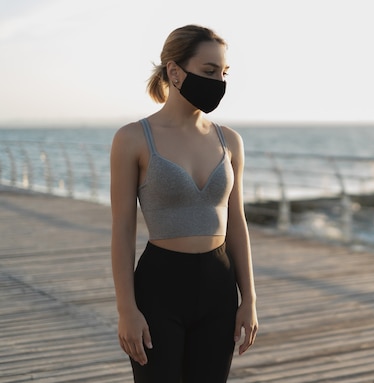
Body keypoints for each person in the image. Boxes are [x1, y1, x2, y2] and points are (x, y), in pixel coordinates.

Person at [109, 24, 258, 383]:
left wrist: (249, 299)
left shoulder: (229, 141)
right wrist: (126, 309)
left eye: (223, 73)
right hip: (160, 288)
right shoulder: (133, 138)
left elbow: (236, 222)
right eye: (209, 72)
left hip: (219, 288)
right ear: (174, 72)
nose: (218, 82)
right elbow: (123, 230)